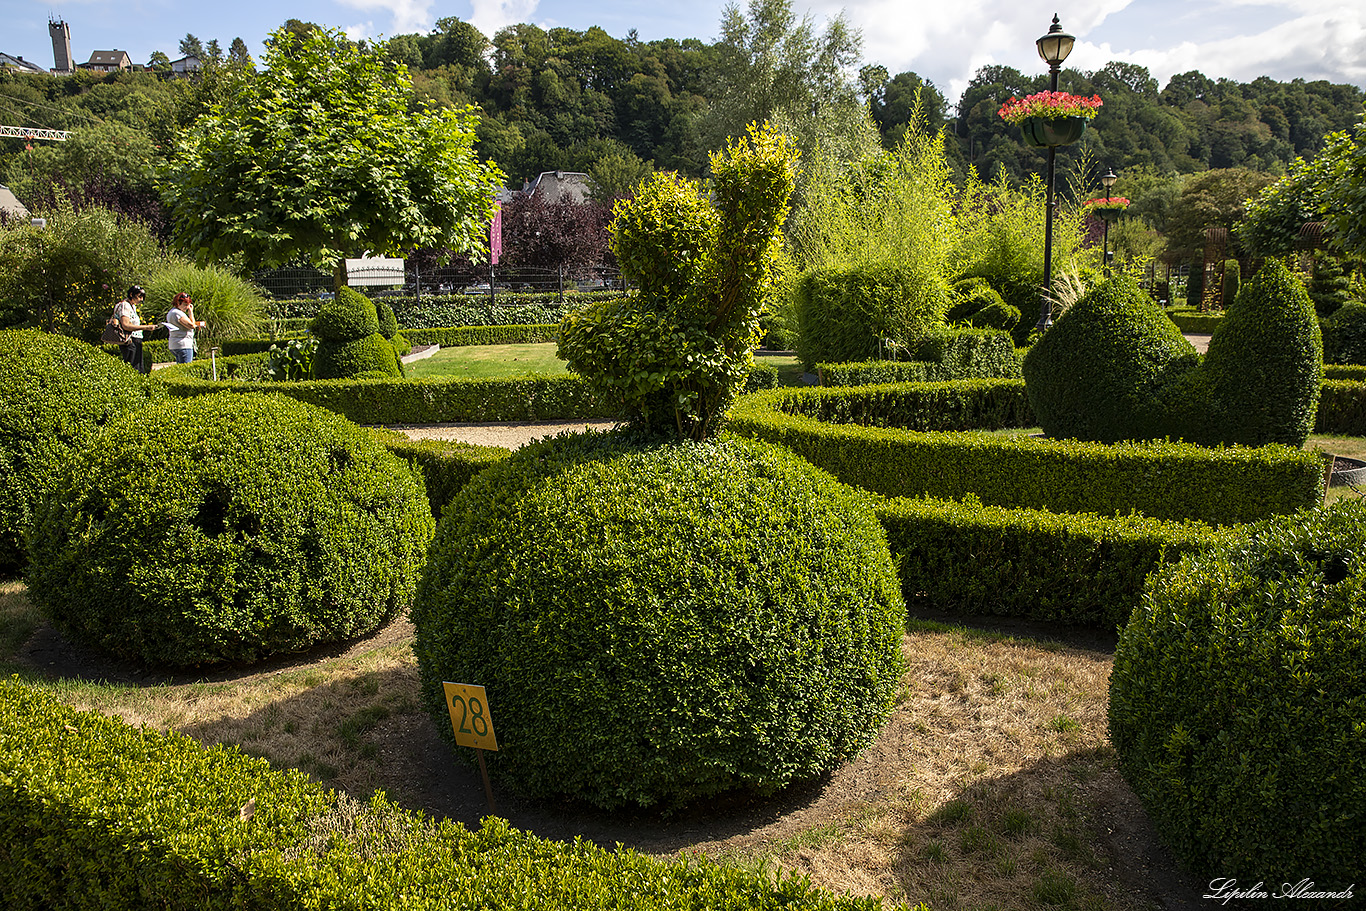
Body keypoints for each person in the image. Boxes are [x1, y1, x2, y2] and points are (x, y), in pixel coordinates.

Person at [112, 285, 156, 374]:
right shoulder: (125, 305)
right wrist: (146, 327)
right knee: (134, 368)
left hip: (136, 338)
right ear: (131, 294)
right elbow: (126, 325)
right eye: (139, 296)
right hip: (130, 339)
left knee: (139, 366)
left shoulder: (132, 306)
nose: (141, 300)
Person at [164, 292, 206, 364]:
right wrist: (191, 312)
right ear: (178, 303)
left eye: (188, 305)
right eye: (185, 305)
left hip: (175, 344)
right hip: (183, 344)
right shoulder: (177, 313)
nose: (187, 307)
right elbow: (192, 325)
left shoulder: (171, 312)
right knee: (186, 367)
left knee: (180, 366)